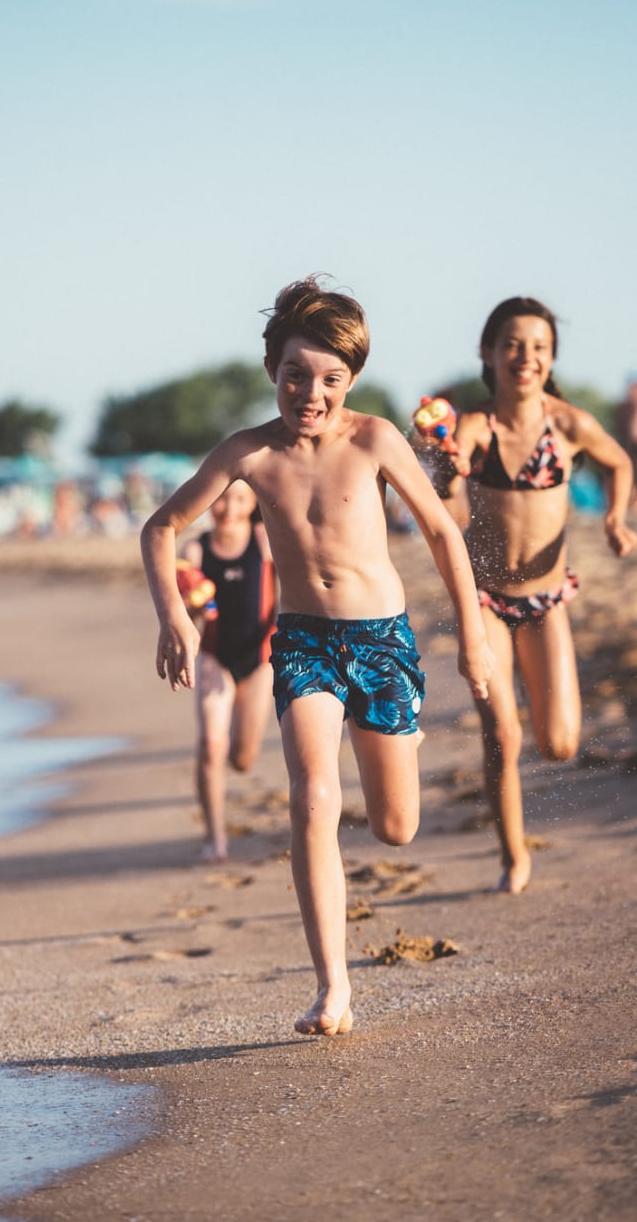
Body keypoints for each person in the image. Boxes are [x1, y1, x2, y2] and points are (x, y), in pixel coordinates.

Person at [141, 277, 493, 1038]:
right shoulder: (249, 453)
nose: (311, 391)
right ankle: (333, 989)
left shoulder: (373, 440)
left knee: (396, 828)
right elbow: (161, 527)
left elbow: (440, 533)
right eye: (297, 373)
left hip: (381, 642)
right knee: (312, 799)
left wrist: (473, 637)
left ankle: (401, 740)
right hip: (302, 644)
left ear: (352, 381)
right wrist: (173, 615)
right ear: (273, 369)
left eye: (331, 378)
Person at [428, 297, 635, 894]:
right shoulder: (476, 425)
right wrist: (447, 465)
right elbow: (450, 474)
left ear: (550, 359)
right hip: (486, 599)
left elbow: (618, 462)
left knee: (561, 743)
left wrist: (615, 520)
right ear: (489, 355)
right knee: (502, 734)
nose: (527, 357)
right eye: (513, 345)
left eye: (539, 347)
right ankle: (513, 855)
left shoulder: (568, 424)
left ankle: (521, 830)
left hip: (547, 602)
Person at [180, 479, 277, 863]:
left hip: (259, 659)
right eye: (221, 500)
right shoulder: (195, 549)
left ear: (252, 501)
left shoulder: (264, 540)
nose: (229, 508)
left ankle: (236, 763)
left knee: (242, 759)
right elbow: (184, 615)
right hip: (215, 656)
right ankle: (215, 839)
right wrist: (194, 606)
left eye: (239, 499)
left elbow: (293, 592)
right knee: (210, 745)